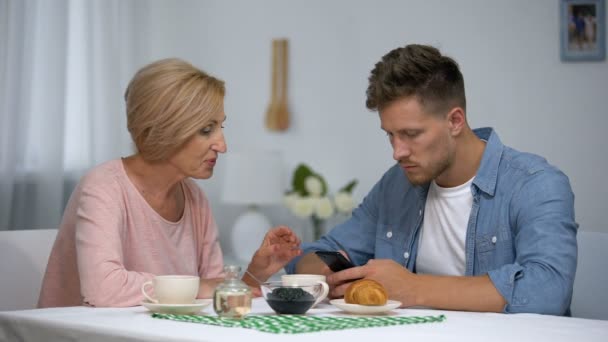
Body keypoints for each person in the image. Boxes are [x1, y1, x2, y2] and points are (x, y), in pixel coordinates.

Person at [285, 44, 577, 315]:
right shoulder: (396, 183)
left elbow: (548, 291)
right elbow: (312, 256)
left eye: (411, 134)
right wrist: (332, 278)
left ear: (455, 121)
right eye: (390, 135)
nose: (397, 152)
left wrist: (412, 288)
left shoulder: (536, 184)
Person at [38, 58, 301, 308]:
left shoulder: (195, 199)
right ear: (165, 128)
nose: (222, 145)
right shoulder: (103, 187)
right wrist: (201, 287)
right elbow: (104, 289)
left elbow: (214, 296)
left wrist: (254, 275)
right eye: (207, 130)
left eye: (221, 127)